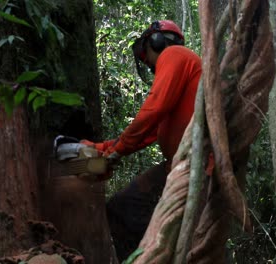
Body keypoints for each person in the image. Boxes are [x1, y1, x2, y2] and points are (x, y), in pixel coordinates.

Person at [81, 20, 202, 261]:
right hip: (179, 165)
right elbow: (149, 132)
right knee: (123, 207)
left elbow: (153, 110)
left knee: (125, 208)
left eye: (144, 52)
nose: (146, 62)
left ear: (157, 41)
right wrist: (102, 149)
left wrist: (115, 153)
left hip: (197, 165)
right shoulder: (180, 67)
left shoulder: (174, 54)